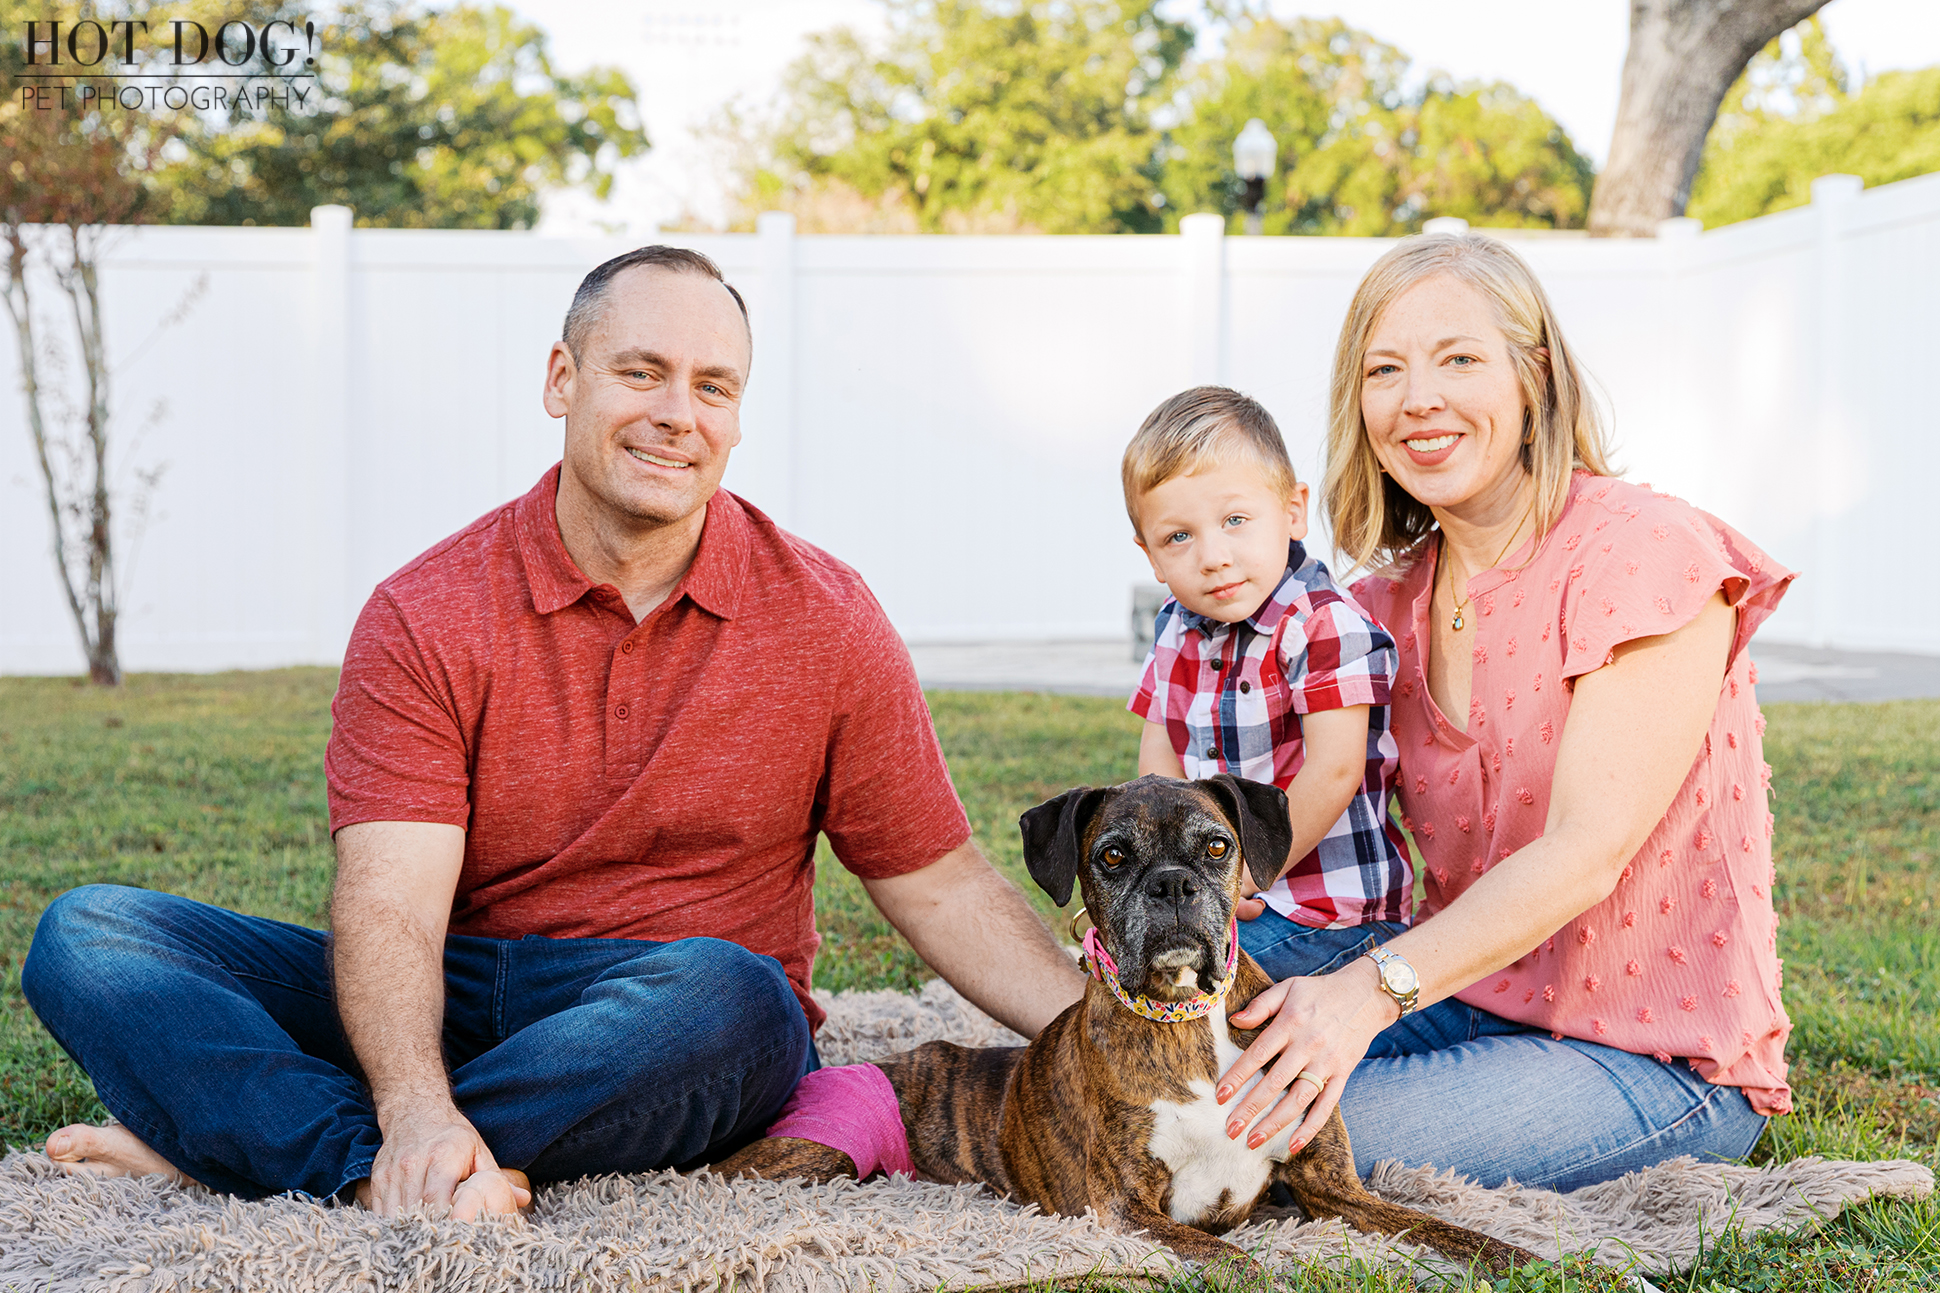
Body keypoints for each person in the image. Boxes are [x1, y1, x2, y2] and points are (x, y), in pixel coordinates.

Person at [22, 245, 1084, 1219]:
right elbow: (391, 904)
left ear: (736, 418)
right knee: (92, 936)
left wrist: (1126, 1044)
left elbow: (939, 882)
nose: (679, 413)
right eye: (641, 372)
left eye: (712, 387)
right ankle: (365, 1157)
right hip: (454, 979)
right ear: (560, 382)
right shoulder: (426, 611)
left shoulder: (825, 617)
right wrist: (410, 1098)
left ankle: (259, 1146)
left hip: (668, 1019)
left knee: (741, 1001)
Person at [1207, 233, 1792, 1193]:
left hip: (1652, 1056)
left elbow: (1585, 849)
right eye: (1384, 369)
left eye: (1460, 359)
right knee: (1175, 1077)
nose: (1418, 398)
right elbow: (1307, 787)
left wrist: (1364, 993)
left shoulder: (1646, 553)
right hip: (1463, 990)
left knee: (1251, 1132)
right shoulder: (1382, 606)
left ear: (1536, 376)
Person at [1123, 386, 1414, 980]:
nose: (1213, 556)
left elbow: (1334, 771)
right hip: (1221, 894)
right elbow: (1159, 759)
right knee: (1127, 971)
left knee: (1198, 994)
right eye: (1179, 537)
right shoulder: (1175, 627)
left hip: (1333, 915)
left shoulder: (1323, 623)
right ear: (1150, 556)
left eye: (1235, 521)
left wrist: (1243, 878)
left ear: (1292, 511)